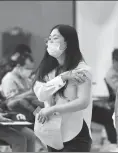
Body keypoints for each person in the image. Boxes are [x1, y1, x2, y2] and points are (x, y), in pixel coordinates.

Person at [33, 24, 93, 152]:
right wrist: (62, 78)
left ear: (67, 43)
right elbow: (41, 94)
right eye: (49, 39)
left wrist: (52, 109)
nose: (50, 42)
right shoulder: (47, 69)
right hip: (51, 132)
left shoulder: (81, 70)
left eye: (55, 38)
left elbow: (83, 102)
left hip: (74, 132)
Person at [0, 53, 44, 121]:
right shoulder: (9, 79)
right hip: (17, 112)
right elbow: (11, 100)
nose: (30, 71)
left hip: (29, 109)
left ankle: (42, 116)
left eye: (31, 69)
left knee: (41, 102)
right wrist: (29, 93)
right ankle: (40, 117)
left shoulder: (26, 79)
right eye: (28, 68)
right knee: (27, 101)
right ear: (19, 66)